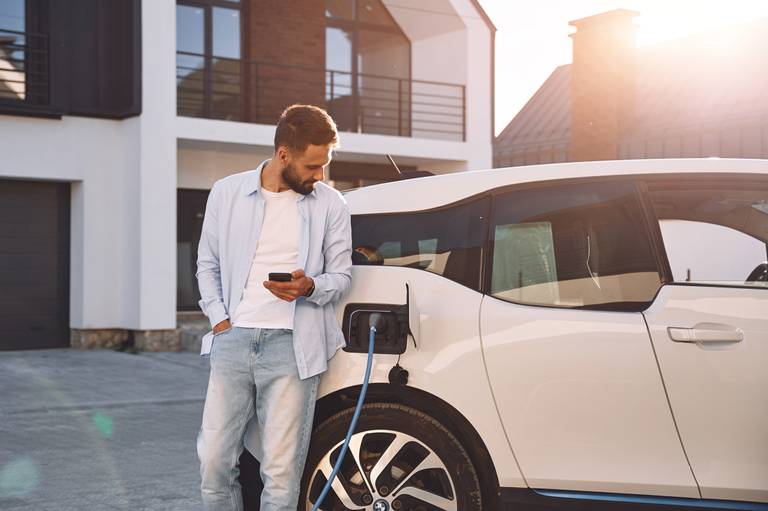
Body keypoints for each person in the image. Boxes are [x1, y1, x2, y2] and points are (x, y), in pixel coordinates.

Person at [195, 104, 352, 511]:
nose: (320, 175)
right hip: (232, 339)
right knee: (214, 463)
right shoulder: (227, 193)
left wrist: (309, 286)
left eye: (325, 165)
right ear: (284, 154)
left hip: (293, 349)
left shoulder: (331, 204)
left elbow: (342, 276)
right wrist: (220, 320)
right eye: (313, 165)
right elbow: (206, 263)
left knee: (280, 476)